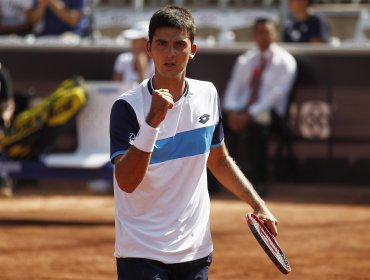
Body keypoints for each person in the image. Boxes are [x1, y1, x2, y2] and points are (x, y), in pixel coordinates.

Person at [110, 6, 278, 280]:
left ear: (193, 50)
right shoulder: (126, 107)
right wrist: (152, 122)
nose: (171, 53)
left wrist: (257, 204)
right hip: (141, 252)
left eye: (179, 45)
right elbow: (127, 182)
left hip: (195, 252)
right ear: (149, 48)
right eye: (162, 44)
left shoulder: (208, 94)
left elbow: (219, 160)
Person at [223, 18, 297, 196]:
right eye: (260, 32)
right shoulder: (245, 60)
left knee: (257, 125)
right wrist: (232, 111)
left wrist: (249, 114)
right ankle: (215, 182)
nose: (264, 36)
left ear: (275, 34)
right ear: (254, 36)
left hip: (271, 115)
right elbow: (233, 89)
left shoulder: (285, 62)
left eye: (268, 32)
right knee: (215, 124)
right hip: (241, 111)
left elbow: (274, 96)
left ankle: (259, 182)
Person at [112, 21, 155, 85]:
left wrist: (142, 68)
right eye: (133, 40)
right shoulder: (123, 59)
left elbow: (146, 91)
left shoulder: (156, 64)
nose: (132, 43)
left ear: (147, 41)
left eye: (136, 40)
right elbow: (115, 88)